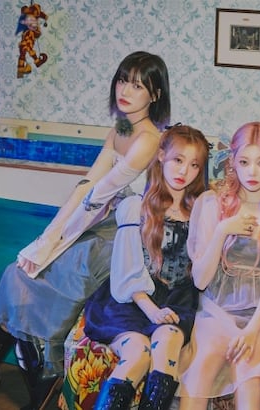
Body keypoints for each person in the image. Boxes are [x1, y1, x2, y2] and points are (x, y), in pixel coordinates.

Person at [0, 51, 171, 409]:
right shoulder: (120, 129)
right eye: (123, 80)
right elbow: (87, 185)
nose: (125, 90)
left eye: (138, 86)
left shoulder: (149, 139)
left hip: (127, 236)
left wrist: (54, 241)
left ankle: (39, 370)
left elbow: (99, 195)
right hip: (101, 223)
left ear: (155, 95)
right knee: (17, 270)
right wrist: (48, 236)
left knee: (50, 270)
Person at [177, 121, 260, 410]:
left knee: (247, 374)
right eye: (244, 162)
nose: (252, 172)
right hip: (217, 310)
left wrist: (252, 330)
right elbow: (200, 281)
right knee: (198, 375)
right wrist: (222, 230)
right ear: (232, 162)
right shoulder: (212, 205)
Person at [83, 125, 210, 410]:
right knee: (139, 353)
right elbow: (126, 268)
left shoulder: (202, 212)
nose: (184, 171)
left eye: (194, 165)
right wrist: (152, 310)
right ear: (162, 156)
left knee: (167, 342)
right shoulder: (135, 206)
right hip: (131, 300)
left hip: (177, 300)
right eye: (178, 160)